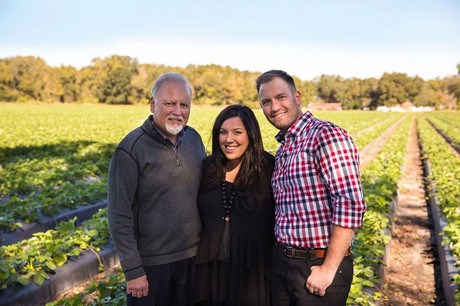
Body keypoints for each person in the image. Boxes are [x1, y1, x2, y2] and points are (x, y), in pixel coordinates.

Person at [256, 70, 367, 305]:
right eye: (266, 102)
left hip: (317, 264)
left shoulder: (325, 136)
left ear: (297, 97)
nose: (274, 107)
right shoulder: (285, 146)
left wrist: (328, 268)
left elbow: (349, 203)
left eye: (280, 97)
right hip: (283, 262)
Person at [107, 72, 206, 306]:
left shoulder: (194, 140)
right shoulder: (130, 150)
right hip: (151, 266)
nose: (177, 111)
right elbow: (119, 215)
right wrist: (133, 270)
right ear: (152, 104)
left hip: (193, 260)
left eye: (184, 104)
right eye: (169, 103)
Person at [194, 104, 276, 306]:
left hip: (253, 276)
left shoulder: (269, 167)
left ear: (251, 135)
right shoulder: (207, 168)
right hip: (210, 274)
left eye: (237, 132)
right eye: (223, 132)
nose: (229, 139)